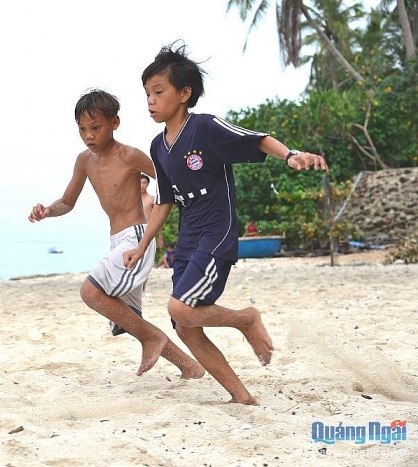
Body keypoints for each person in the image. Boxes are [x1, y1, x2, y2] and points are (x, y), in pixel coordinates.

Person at [124, 42, 328, 404]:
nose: (150, 101)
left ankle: (246, 319)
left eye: (158, 92)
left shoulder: (205, 127)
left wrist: (290, 155)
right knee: (185, 326)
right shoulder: (157, 146)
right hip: (188, 238)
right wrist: (142, 246)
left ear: (184, 93)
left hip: (216, 232)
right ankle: (242, 398)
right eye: (147, 94)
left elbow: (259, 139)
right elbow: (165, 200)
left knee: (178, 308)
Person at [28, 89, 204, 378]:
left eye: (96, 128)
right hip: (116, 240)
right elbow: (67, 202)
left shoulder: (130, 155)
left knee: (90, 291)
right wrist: (47, 210)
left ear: (114, 123)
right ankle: (190, 367)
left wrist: (198, 205)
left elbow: (171, 178)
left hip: (136, 238)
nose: (89, 136)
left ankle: (153, 339)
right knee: (128, 317)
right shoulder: (84, 160)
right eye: (82, 130)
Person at [140, 174, 164, 248]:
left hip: (148, 231)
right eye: (140, 183)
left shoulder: (152, 199)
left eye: (144, 183)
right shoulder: (133, 200)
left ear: (147, 184)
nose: (142, 185)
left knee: (147, 257)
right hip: (134, 231)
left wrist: (160, 237)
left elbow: (157, 218)